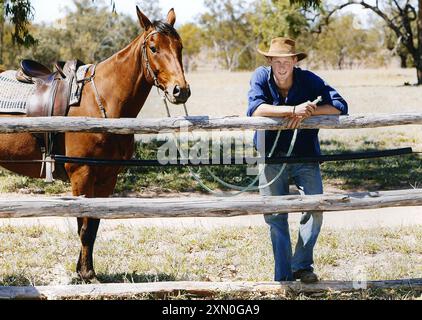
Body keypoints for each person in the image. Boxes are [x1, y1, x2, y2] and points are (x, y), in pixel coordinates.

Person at [247, 37, 348, 283]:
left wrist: (309, 111)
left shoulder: (308, 79)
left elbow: (339, 106)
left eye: (287, 61)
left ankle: (301, 265)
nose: (282, 67)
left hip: (305, 155)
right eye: (276, 61)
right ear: (269, 61)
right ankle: (283, 277)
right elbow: (255, 108)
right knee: (276, 215)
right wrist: (292, 110)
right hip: (270, 156)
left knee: (315, 208)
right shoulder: (260, 76)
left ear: (295, 61)